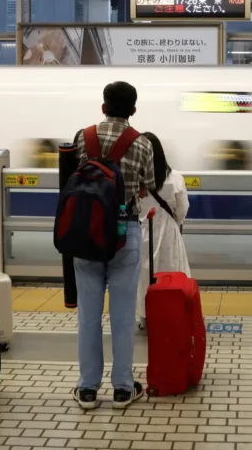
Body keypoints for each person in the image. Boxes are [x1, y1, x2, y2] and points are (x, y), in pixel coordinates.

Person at [73, 81, 156, 410]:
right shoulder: (143, 144)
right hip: (126, 233)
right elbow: (148, 187)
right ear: (134, 110)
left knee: (88, 317)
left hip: (86, 235)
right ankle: (123, 388)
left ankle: (87, 390)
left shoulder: (84, 136)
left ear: (103, 107)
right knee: (122, 317)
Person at [137, 132, 190, 331]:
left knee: (144, 277)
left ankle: (146, 317)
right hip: (169, 233)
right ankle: (174, 313)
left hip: (142, 232)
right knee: (172, 272)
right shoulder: (175, 178)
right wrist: (176, 221)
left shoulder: (136, 180)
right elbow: (182, 208)